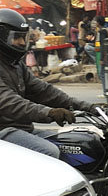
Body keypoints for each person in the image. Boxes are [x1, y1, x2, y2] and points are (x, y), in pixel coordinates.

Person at [0, 9, 101, 159]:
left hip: (22, 130)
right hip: (4, 131)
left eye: (23, 37)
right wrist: (49, 112)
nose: (22, 43)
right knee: (49, 152)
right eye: (16, 38)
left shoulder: (16, 64)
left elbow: (44, 91)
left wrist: (87, 106)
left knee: (74, 144)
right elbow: (9, 103)